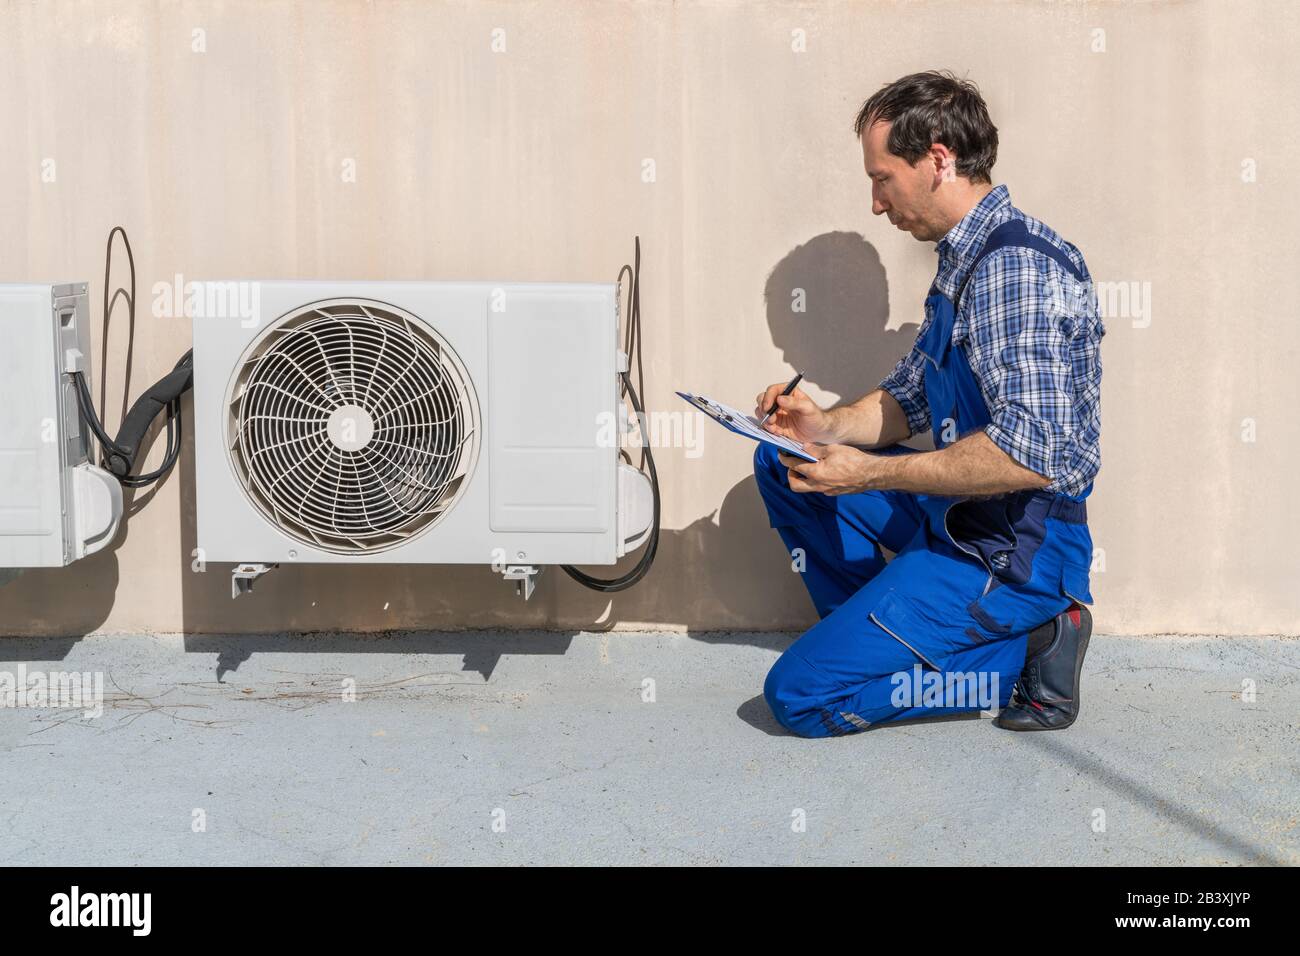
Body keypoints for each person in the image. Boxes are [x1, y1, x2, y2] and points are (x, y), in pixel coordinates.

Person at [754, 70, 1104, 737]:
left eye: (882, 178)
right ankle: (883, 642)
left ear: (938, 159)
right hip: (958, 515)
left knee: (796, 697)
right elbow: (908, 400)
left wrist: (868, 471)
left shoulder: (1015, 268)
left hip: (1013, 553)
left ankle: (1022, 651)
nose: (877, 203)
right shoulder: (961, 263)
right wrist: (821, 425)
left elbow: (1032, 455)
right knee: (782, 462)